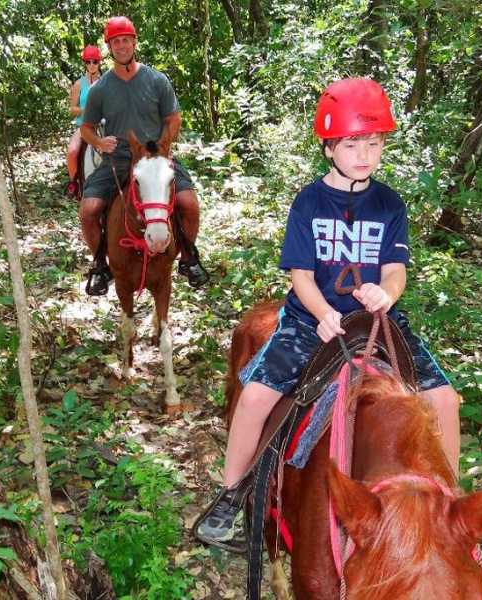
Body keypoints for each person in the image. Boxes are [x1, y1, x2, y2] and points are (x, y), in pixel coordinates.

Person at [196, 78, 463, 546]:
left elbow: (395, 268)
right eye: (353, 143)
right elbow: (299, 274)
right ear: (329, 147)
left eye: (374, 143)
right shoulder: (309, 202)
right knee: (256, 396)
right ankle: (230, 496)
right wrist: (321, 313)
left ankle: (449, 508)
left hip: (378, 323)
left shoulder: (389, 204)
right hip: (309, 320)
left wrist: (387, 294)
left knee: (444, 400)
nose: (364, 154)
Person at [78, 15, 209, 296]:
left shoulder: (156, 80)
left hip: (155, 154)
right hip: (120, 156)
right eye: (116, 42)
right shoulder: (101, 88)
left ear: (134, 42)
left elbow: (174, 118)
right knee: (89, 210)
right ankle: (101, 264)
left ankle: (188, 257)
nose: (122, 46)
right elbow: (87, 129)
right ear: (109, 47)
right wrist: (100, 143)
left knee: (189, 203)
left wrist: (164, 144)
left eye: (126, 40)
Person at [64, 45, 103, 198]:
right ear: (85, 63)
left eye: (95, 61)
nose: (92, 65)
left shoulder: (106, 81)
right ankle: (74, 183)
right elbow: (72, 109)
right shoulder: (78, 84)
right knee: (72, 151)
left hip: (103, 124)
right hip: (84, 125)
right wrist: (85, 110)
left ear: (99, 62)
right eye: (88, 62)